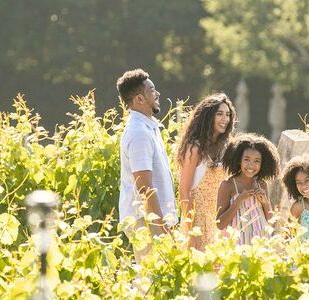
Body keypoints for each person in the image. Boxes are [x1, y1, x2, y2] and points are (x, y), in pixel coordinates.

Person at [116, 69, 177, 261]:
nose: (157, 94)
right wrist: (159, 227)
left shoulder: (148, 127)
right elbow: (144, 186)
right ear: (139, 99)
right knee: (150, 282)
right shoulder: (139, 133)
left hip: (155, 219)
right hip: (147, 222)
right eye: (152, 90)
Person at [177, 93, 236, 250]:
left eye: (228, 115)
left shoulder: (226, 148)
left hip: (221, 222)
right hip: (198, 222)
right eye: (219, 114)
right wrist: (192, 232)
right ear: (208, 116)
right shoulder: (194, 148)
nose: (225, 119)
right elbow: (184, 191)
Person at [216, 133, 279, 244]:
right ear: (239, 160)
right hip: (236, 241)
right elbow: (220, 224)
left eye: (256, 161)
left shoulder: (262, 184)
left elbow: (271, 221)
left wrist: (265, 203)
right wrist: (239, 200)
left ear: (262, 164)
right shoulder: (228, 185)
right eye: (247, 159)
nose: (251, 165)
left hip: (260, 239)